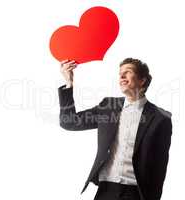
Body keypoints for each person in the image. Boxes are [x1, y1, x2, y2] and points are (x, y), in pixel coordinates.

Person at [58, 58, 173, 200]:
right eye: (120, 74)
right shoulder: (108, 107)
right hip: (105, 190)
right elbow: (69, 122)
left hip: (136, 193)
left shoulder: (160, 118)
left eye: (128, 72)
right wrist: (69, 83)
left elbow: (159, 167)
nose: (122, 76)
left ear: (142, 80)